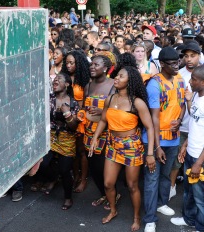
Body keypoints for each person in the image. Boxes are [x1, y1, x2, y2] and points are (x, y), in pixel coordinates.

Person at [89, 66, 154, 231]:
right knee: (108, 183)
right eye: (116, 75)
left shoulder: (137, 102)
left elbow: (150, 127)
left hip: (131, 146)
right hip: (112, 143)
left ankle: (137, 217)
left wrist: (151, 153)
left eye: (120, 76)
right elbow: (103, 120)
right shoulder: (110, 99)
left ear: (130, 81)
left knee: (132, 186)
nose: (116, 78)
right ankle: (113, 210)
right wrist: (95, 138)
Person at [142, 47, 186, 232]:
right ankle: (150, 218)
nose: (177, 66)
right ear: (161, 64)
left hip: (174, 139)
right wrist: (157, 147)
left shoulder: (180, 79)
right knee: (151, 179)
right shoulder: (154, 84)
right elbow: (154, 118)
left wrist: (180, 120)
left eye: (178, 62)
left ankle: (161, 203)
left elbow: (182, 104)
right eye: (172, 63)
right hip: (155, 142)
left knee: (165, 177)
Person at [170, 65, 204, 232]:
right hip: (191, 152)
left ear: (203, 82)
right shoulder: (197, 96)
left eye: (194, 80)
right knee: (188, 192)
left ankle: (200, 226)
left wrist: (199, 163)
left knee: (200, 197)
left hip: (200, 158)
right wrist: (185, 144)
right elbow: (195, 121)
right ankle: (189, 219)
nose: (190, 82)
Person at [169, 41, 201, 200]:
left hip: (199, 130)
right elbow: (180, 102)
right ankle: (172, 187)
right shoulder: (179, 74)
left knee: (197, 163)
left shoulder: (202, 73)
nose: (189, 59)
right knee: (177, 160)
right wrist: (180, 120)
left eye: (192, 56)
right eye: (186, 56)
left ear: (199, 56)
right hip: (184, 126)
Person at [83, 55, 115, 207]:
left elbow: (118, 109)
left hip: (106, 133)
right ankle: (103, 193)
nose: (92, 67)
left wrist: (102, 110)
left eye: (97, 64)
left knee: (104, 167)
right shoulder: (88, 86)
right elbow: (83, 107)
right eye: (91, 64)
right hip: (89, 131)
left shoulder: (113, 86)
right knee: (94, 166)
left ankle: (113, 195)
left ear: (105, 68)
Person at [61, 50, 91, 193]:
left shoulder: (84, 80)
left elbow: (86, 103)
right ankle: (76, 175)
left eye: (71, 63)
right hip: (66, 117)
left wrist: (78, 116)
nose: (68, 65)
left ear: (78, 64)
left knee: (81, 151)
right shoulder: (64, 78)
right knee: (72, 151)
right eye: (67, 62)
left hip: (79, 118)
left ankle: (84, 179)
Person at [49, 72, 79, 210]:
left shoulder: (73, 103)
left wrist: (67, 113)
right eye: (54, 79)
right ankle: (52, 178)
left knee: (65, 170)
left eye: (58, 80)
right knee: (43, 164)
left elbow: (73, 126)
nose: (55, 81)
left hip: (67, 139)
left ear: (67, 84)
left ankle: (68, 197)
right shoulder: (47, 98)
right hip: (50, 137)